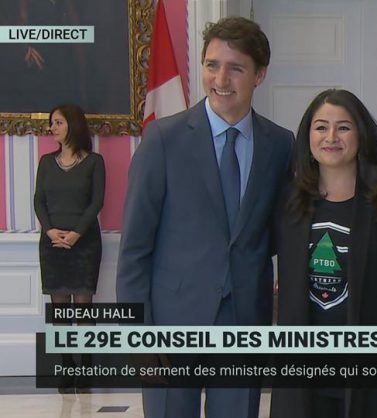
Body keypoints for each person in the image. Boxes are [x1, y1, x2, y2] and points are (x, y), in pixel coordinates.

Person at [116, 16, 293, 418]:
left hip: (244, 322)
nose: (221, 78)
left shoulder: (281, 145)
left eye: (235, 67)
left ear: (259, 75)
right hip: (169, 326)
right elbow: (134, 249)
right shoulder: (163, 139)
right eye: (212, 65)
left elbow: (286, 233)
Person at [270, 89, 377, 418]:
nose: (331, 137)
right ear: (307, 136)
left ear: (360, 135)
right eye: (321, 126)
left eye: (343, 127)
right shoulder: (288, 201)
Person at [33, 103, 105, 392]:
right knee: (60, 310)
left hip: (84, 242)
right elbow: (39, 200)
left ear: (73, 125)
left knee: (84, 309)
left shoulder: (94, 162)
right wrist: (50, 230)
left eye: (58, 122)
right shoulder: (46, 162)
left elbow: (96, 202)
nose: (53, 127)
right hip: (52, 244)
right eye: (52, 122)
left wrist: (76, 233)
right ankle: (66, 366)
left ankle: (86, 366)